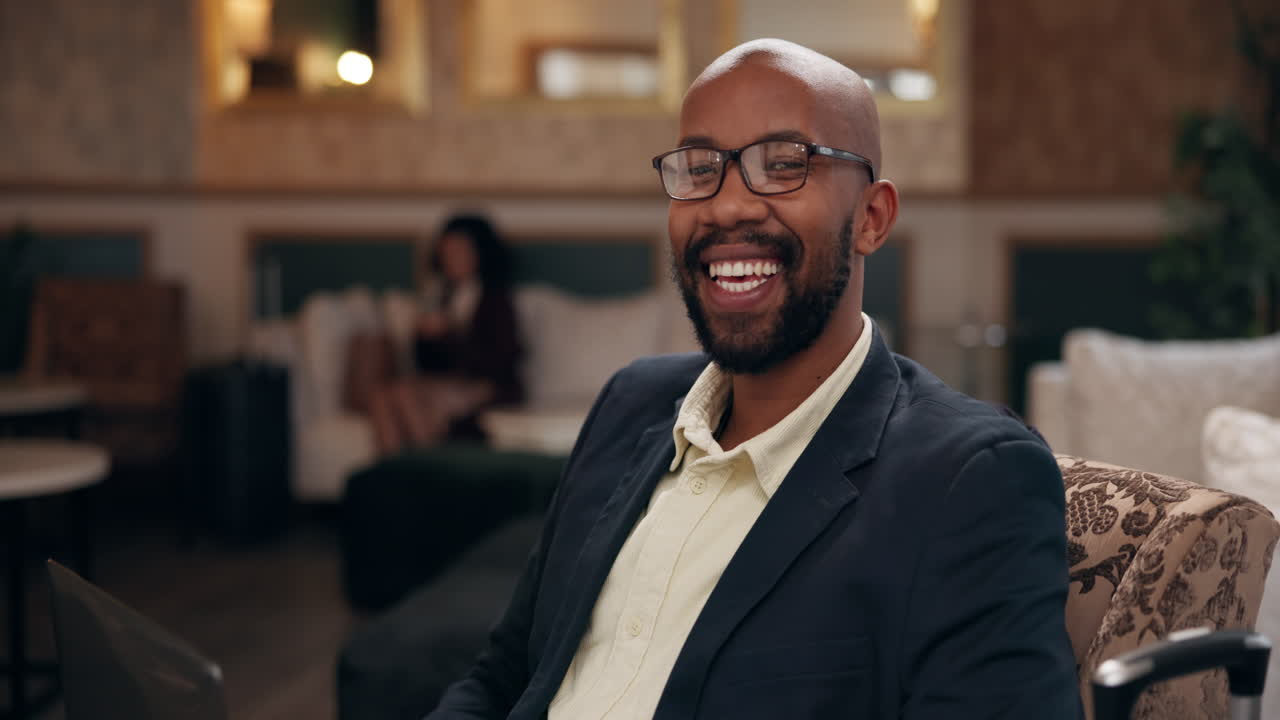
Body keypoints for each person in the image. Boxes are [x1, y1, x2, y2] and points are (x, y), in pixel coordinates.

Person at [427, 40, 1080, 719]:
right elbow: (504, 675)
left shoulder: (971, 480)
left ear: (872, 219)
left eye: (784, 165)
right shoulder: (629, 404)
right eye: (700, 169)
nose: (726, 207)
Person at [365, 214, 524, 454]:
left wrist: (450, 334)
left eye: (459, 251)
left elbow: (498, 363)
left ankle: (429, 469)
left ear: (479, 253)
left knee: (408, 395)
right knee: (382, 397)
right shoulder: (442, 297)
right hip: (446, 383)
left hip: (487, 387)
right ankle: (394, 471)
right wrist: (423, 335)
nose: (451, 259)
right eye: (447, 252)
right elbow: (428, 365)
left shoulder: (496, 300)